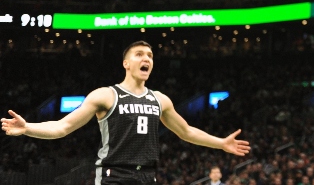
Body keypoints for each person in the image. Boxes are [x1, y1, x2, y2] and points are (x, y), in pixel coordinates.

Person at [1, 41, 250, 184]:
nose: (147, 59)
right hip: (114, 176)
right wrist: (28, 127)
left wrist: (221, 143)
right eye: (139, 54)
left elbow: (186, 131)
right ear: (126, 64)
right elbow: (62, 127)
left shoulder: (160, 99)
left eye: (150, 55)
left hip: (148, 176)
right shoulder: (105, 95)